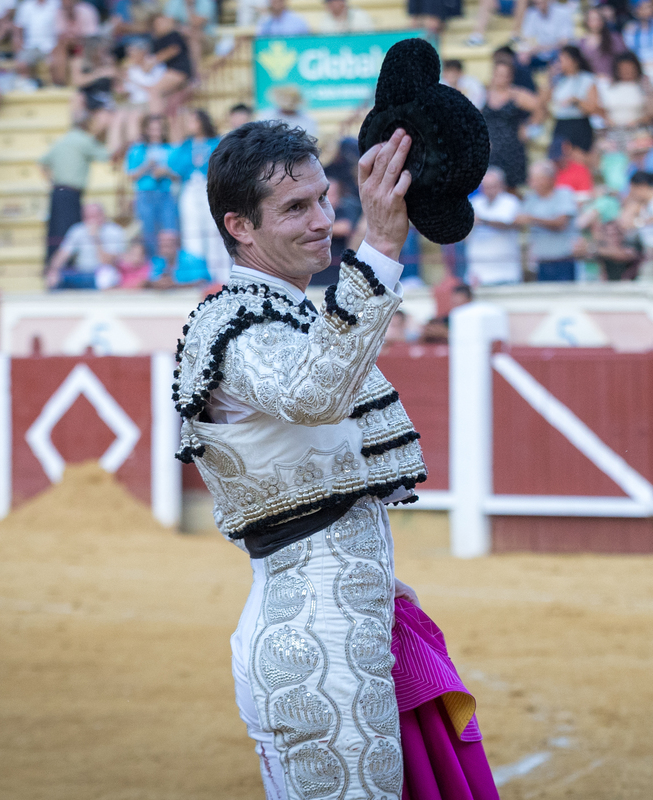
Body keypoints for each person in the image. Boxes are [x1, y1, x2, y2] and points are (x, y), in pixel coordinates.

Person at [174, 122, 428, 800]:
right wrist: (379, 248)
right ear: (240, 227)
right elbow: (313, 393)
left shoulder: (285, 315)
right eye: (296, 208)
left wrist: (376, 584)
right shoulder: (232, 322)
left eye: (323, 199)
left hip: (337, 625)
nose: (324, 221)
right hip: (314, 644)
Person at [39, 111, 111, 261]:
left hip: (57, 191)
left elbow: (42, 162)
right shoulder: (85, 140)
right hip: (71, 193)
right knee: (70, 233)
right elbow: (107, 156)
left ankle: (52, 268)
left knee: (55, 233)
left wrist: (51, 181)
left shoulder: (62, 140)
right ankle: (67, 270)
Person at [169, 108, 227, 282]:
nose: (189, 125)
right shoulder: (186, 146)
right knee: (191, 232)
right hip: (190, 189)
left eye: (192, 121)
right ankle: (197, 276)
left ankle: (220, 277)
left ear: (202, 122)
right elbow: (174, 166)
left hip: (210, 188)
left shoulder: (217, 143)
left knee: (214, 231)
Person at [482, 54, 541, 190]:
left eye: (504, 75)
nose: (500, 78)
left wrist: (528, 127)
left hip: (512, 148)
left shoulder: (517, 94)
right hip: (490, 149)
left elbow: (540, 108)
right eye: (498, 74)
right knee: (489, 188)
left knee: (511, 188)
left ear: (510, 76)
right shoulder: (484, 93)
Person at [517, 159, 579, 281]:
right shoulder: (531, 199)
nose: (530, 182)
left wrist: (532, 219)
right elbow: (519, 219)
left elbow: (561, 223)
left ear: (546, 179)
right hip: (542, 261)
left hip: (563, 260)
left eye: (534, 179)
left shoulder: (564, 194)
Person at [126, 114, 179, 255]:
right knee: (148, 234)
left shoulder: (171, 149)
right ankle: (153, 267)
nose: (156, 132)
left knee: (170, 234)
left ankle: (170, 266)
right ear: (146, 130)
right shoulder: (137, 149)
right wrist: (146, 167)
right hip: (145, 195)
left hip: (166, 195)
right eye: (153, 129)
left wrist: (165, 172)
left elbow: (179, 175)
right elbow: (131, 175)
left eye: (159, 129)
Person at [45, 202, 127, 288]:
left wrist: (96, 239)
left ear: (103, 215)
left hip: (104, 273)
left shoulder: (114, 231)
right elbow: (63, 254)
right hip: (81, 272)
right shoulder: (77, 230)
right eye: (88, 217)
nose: (92, 220)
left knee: (104, 279)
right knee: (56, 278)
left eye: (95, 216)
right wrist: (53, 270)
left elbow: (108, 262)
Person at [466, 166, 522, 286]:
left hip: (506, 273)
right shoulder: (475, 203)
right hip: (478, 273)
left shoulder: (511, 202)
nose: (489, 190)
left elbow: (509, 224)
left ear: (501, 185)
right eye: (486, 187)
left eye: (493, 186)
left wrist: (482, 221)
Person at [544, 45, 597, 152]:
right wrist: (550, 79)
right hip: (561, 124)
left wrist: (576, 101)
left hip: (579, 125)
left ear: (574, 60)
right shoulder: (558, 81)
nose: (560, 63)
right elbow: (545, 102)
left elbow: (593, 108)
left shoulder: (587, 79)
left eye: (563, 59)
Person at [518, 0, 576, 70]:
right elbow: (527, 38)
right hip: (538, 54)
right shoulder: (531, 13)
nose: (540, 4)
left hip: (557, 53)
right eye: (537, 3)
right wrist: (526, 52)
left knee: (562, 57)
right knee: (520, 59)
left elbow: (564, 41)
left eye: (542, 2)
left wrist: (541, 47)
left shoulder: (563, 12)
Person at [577, 5, 626, 79]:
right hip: (591, 81)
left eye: (598, 19)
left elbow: (624, 58)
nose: (596, 23)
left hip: (611, 79)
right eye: (592, 20)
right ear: (586, 22)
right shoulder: (581, 43)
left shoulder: (614, 38)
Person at [13, 0, 58, 76]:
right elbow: (17, 29)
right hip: (29, 46)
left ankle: (56, 86)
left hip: (52, 46)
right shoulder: (26, 6)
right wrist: (19, 47)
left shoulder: (55, 5)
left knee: (57, 63)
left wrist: (57, 48)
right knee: (21, 64)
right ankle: (26, 85)